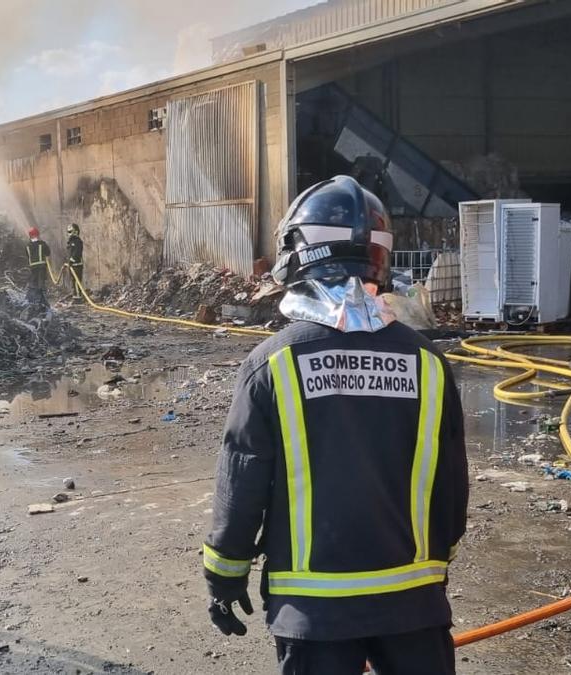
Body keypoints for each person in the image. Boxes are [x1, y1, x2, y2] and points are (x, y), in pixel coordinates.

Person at [202, 176, 468, 674]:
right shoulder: (428, 363)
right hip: (415, 610)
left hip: (314, 615)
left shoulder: (272, 363)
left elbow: (242, 485)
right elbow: (451, 490)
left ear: (298, 253)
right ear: (378, 258)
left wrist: (225, 574)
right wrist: (433, 566)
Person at [26, 227, 51, 309]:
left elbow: (27, 255)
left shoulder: (27, 246)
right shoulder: (42, 244)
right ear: (37, 235)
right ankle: (43, 301)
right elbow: (48, 253)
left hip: (33, 267)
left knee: (34, 283)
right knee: (41, 284)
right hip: (41, 267)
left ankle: (33, 300)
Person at [65, 223, 85, 301]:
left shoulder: (77, 241)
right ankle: (75, 295)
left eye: (70, 231)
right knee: (73, 281)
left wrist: (71, 260)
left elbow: (77, 253)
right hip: (72, 265)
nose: (69, 233)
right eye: (68, 231)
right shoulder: (70, 242)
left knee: (77, 281)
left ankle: (78, 297)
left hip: (77, 265)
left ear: (76, 232)